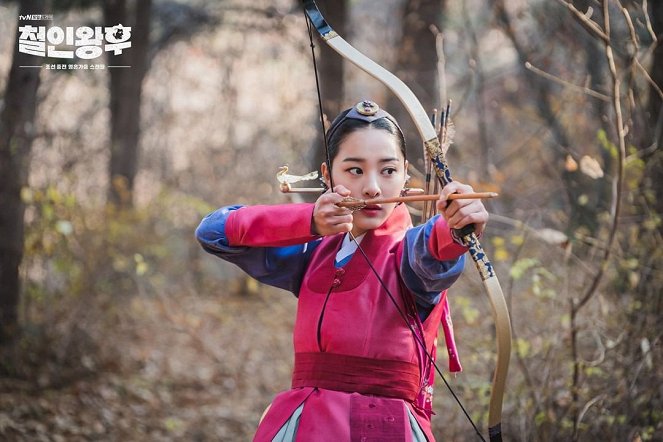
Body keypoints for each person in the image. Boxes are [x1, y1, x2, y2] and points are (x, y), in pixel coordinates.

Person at [195, 100, 489, 441]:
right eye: (355, 170)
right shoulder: (312, 251)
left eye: (388, 170)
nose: (373, 188)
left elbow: (437, 250)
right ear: (326, 175)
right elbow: (214, 232)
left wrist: (457, 225)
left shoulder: (410, 250)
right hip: (304, 424)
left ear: (406, 173)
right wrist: (309, 221)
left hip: (381, 428)